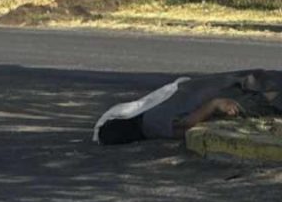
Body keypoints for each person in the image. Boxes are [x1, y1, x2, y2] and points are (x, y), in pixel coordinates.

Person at [94, 69, 282, 145]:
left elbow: (184, 126)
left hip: (222, 91)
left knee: (263, 94)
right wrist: (214, 105)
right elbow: (184, 125)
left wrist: (213, 105)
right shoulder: (150, 116)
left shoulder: (151, 118)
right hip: (228, 89)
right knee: (262, 93)